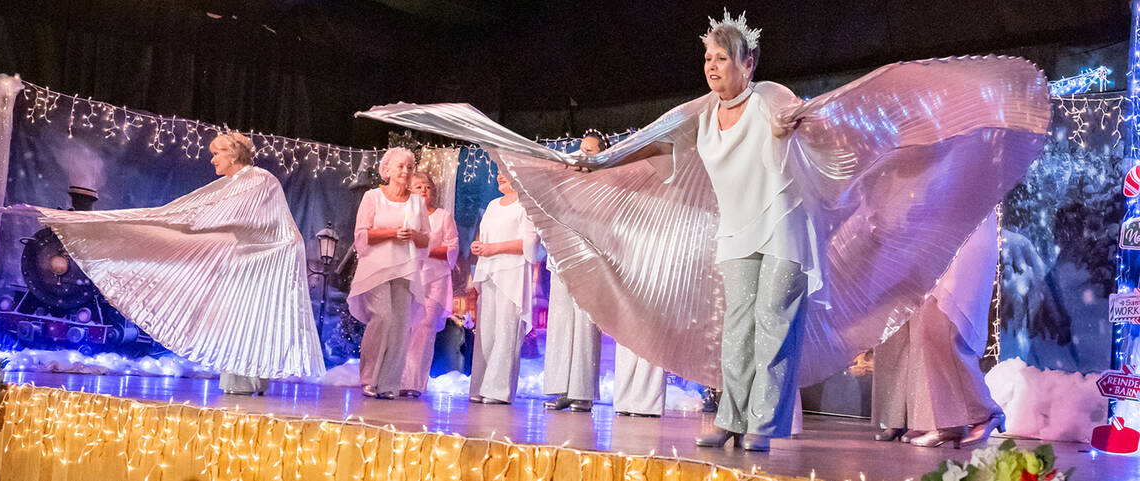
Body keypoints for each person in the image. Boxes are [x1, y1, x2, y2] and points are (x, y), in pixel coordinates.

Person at [357, 9, 1049, 450]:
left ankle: (757, 426)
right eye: (709, 60)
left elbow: (805, 122)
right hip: (734, 240)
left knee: (771, 334)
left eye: (725, 58)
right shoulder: (698, 113)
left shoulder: (772, 98)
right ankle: (733, 419)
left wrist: (796, 125)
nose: (715, 68)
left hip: (782, 237)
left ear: (749, 63)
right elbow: (649, 142)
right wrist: (596, 159)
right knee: (733, 333)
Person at [20, 132, 326, 392]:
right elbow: (215, 213)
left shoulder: (257, 179)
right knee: (237, 316)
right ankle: (242, 381)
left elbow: (239, 218)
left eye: (217, 153)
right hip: (250, 254)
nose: (212, 159)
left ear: (233, 156)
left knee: (246, 316)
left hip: (268, 257)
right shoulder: (239, 182)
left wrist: (178, 223)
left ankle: (248, 381)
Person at [872, 214, 1005, 447]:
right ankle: (932, 418)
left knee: (943, 324)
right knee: (917, 322)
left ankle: (979, 414)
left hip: (962, 230)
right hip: (937, 228)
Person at [348, 147, 431, 399]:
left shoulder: (417, 202)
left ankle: (389, 383)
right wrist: (392, 232)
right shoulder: (373, 197)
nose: (405, 171)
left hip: (405, 268)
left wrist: (413, 235)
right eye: (400, 166)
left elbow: (426, 239)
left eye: (409, 167)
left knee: (400, 324)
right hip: (376, 267)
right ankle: (369, 377)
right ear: (387, 170)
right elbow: (361, 234)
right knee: (382, 317)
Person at [543, 132, 608, 412]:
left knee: (585, 324)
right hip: (561, 257)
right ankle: (561, 388)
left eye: (591, 151)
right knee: (560, 323)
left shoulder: (605, 184)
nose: (584, 155)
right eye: (582, 149)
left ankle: (582, 391)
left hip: (588, 260)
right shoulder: (563, 182)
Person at [468, 172, 541, 404]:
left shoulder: (526, 204)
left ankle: (498, 390)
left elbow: (530, 243)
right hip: (490, 270)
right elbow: (486, 236)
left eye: (505, 171)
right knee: (487, 331)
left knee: (506, 331)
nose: (500, 176)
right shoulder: (492, 205)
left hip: (512, 272)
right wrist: (479, 246)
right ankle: (480, 385)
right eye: (497, 171)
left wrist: (494, 249)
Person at [399, 172, 459, 398]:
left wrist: (424, 250)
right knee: (404, 330)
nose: (424, 190)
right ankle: (396, 379)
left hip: (435, 280)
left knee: (424, 330)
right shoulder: (404, 216)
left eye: (428, 187)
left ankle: (414, 384)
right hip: (409, 278)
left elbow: (452, 249)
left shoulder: (443, 217)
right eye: (418, 187)